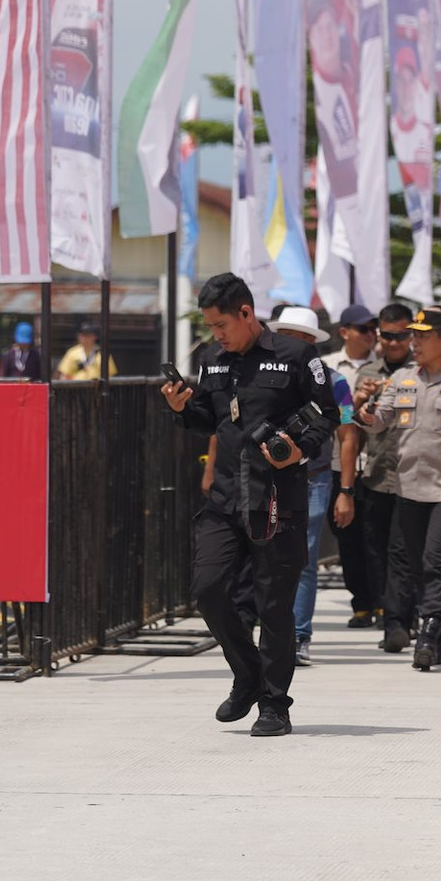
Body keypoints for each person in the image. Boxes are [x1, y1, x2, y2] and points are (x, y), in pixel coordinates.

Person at [162, 272, 339, 737]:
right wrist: (183, 408)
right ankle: (247, 676)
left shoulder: (296, 356)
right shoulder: (212, 360)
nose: (216, 335)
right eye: (210, 327)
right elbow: (210, 419)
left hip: (276, 500)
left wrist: (301, 448)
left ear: (246, 313)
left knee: (274, 606)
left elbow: (327, 414)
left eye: (221, 324)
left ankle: (274, 704)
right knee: (208, 588)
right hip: (225, 498)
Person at [356, 305, 441, 669]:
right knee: (416, 566)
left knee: (437, 561)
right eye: (411, 335)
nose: (413, 342)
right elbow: (378, 421)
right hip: (407, 488)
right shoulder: (402, 378)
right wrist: (363, 411)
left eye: (421, 336)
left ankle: (430, 631)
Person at [268, 306, 359, 667]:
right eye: (284, 337)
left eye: (297, 339)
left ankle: (299, 637)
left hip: (314, 478)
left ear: (311, 343)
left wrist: (346, 490)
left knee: (303, 559)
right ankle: (269, 629)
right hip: (265, 479)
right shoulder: (263, 378)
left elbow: (347, 435)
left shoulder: (336, 383)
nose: (289, 345)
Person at [354, 303, 417, 649]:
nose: (393, 342)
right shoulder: (366, 371)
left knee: (408, 552)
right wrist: (359, 399)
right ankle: (388, 612)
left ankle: (407, 616)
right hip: (377, 474)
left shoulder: (422, 370)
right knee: (377, 550)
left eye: (401, 336)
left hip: (415, 475)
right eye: (387, 336)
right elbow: (347, 419)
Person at [321, 305, 383, 628]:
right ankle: (361, 603)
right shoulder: (327, 368)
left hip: (376, 463)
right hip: (337, 461)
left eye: (374, 328)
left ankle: (384, 601)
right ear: (345, 331)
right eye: (363, 329)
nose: (371, 334)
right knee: (347, 536)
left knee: (378, 536)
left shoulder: (387, 366)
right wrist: (356, 400)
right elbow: (332, 417)